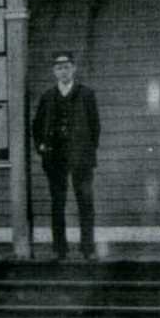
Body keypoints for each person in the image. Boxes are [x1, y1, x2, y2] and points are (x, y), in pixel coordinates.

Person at [30, 50, 102, 260]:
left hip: (81, 158)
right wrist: (41, 146)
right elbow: (36, 126)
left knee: (85, 201)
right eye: (59, 68)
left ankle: (87, 248)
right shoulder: (48, 97)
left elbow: (95, 126)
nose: (63, 71)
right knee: (58, 202)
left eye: (67, 67)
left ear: (74, 69)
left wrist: (87, 150)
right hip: (55, 158)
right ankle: (60, 249)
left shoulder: (86, 94)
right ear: (54, 71)